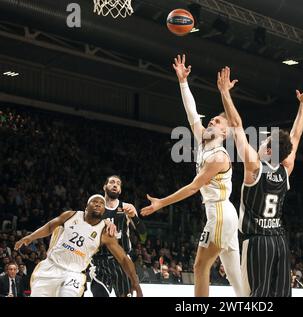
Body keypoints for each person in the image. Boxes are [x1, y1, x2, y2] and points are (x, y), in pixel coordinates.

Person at [140, 55, 244, 297]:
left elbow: (193, 187)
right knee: (235, 276)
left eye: (217, 121)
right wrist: (183, 82)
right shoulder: (203, 142)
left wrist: (161, 203)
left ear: (225, 132)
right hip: (223, 214)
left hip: (219, 214)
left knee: (200, 266)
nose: (211, 121)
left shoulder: (219, 156)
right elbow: (192, 113)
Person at [217, 66, 303, 297]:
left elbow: (236, 125)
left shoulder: (254, 167)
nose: (259, 144)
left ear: (269, 149)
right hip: (280, 240)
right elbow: (295, 136)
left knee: (256, 297)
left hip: (258, 241)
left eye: (263, 143)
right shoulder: (286, 168)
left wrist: (224, 93)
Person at [14, 195, 143, 297]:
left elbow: (123, 259)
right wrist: (30, 237)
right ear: (86, 206)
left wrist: (135, 282)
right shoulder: (70, 215)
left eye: (101, 203)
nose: (98, 204)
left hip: (74, 274)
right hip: (51, 266)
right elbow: (49, 227)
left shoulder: (105, 233)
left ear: (104, 211)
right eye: (94, 201)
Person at [90, 175, 146, 297]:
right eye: (112, 182)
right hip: (100, 262)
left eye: (118, 183)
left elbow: (143, 236)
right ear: (105, 186)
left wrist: (134, 217)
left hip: (122, 262)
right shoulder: (95, 208)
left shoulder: (127, 207)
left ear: (120, 190)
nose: (115, 185)